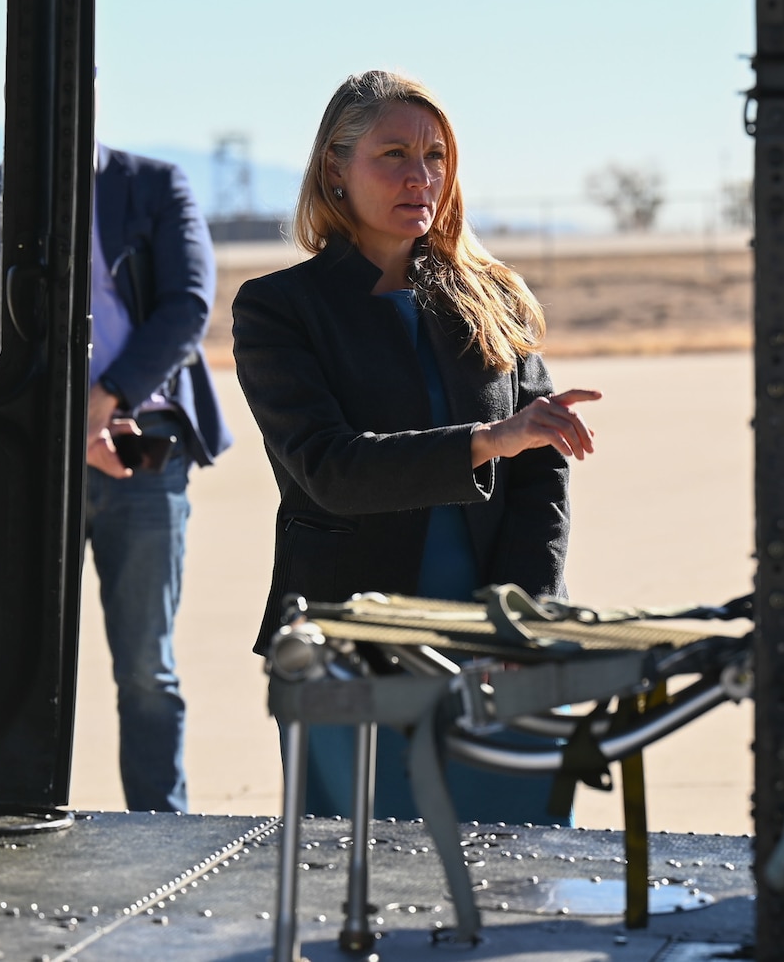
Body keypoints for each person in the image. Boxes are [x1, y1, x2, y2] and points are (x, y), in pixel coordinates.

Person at [232, 69, 599, 820]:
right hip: (349, 651)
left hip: (491, 649)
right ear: (335, 167)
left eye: (435, 155)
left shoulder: (490, 298)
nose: (420, 175)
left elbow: (541, 480)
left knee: (508, 877)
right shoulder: (278, 309)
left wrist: (523, 618)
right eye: (393, 153)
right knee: (361, 885)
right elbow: (331, 469)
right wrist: (489, 438)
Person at [84, 143, 234, 813]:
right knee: (1, 651)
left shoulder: (152, 184)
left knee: (146, 666)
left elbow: (189, 305)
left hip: (141, 447)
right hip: (26, 452)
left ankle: (159, 832)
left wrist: (103, 400)